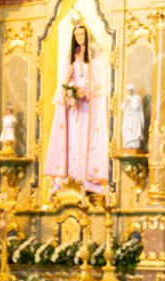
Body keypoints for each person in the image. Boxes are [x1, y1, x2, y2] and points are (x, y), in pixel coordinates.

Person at [44, 24, 109, 199]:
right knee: (73, 140)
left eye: (82, 34)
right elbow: (65, 81)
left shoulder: (94, 57)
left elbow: (99, 83)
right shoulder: (71, 57)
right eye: (77, 34)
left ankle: (88, 180)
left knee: (87, 140)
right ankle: (70, 176)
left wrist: (86, 92)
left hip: (89, 107)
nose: (80, 37)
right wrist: (70, 91)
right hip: (74, 109)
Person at [121, 83, 144, 150]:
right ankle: (127, 145)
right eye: (128, 90)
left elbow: (136, 107)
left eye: (130, 90)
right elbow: (122, 108)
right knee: (126, 130)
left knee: (134, 133)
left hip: (134, 120)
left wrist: (130, 102)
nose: (129, 92)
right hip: (127, 119)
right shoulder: (126, 98)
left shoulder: (137, 98)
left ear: (133, 90)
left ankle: (134, 145)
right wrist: (125, 102)